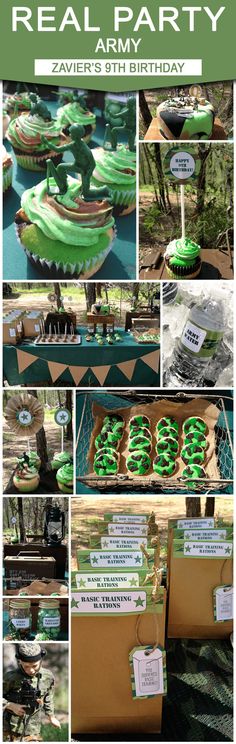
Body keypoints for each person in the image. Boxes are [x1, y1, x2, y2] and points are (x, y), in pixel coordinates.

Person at [3, 642, 61, 742]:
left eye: (34, 666)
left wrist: (51, 717)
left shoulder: (47, 677)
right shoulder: (10, 678)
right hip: (9, 728)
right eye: (26, 666)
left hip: (33, 729)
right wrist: (10, 705)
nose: (31, 670)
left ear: (41, 660)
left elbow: (48, 697)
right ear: (19, 661)